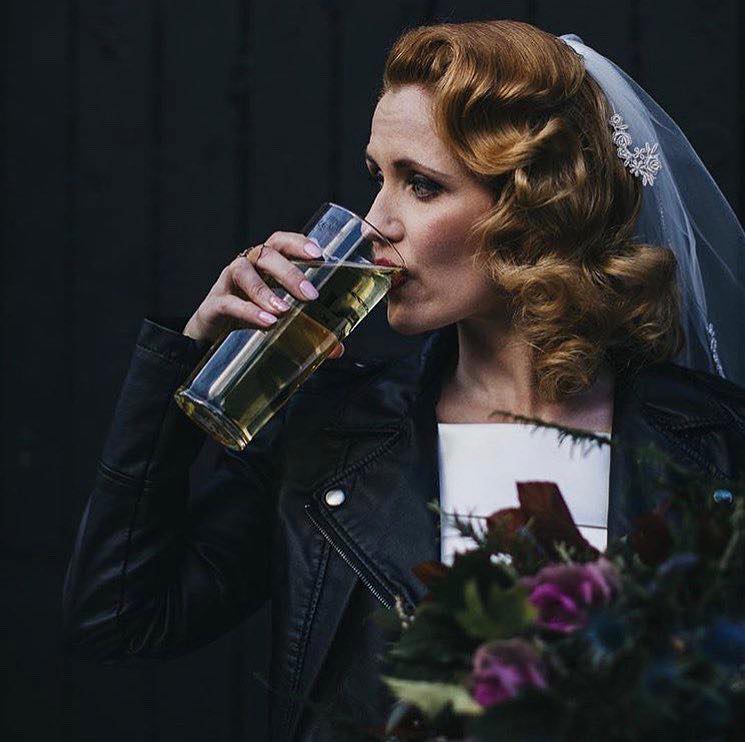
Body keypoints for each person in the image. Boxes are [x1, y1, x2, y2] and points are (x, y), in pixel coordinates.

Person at [62, 19, 745, 741]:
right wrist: (189, 361)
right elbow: (119, 619)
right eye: (376, 178)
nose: (372, 223)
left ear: (534, 210)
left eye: (421, 185)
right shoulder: (331, 431)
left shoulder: (717, 444)